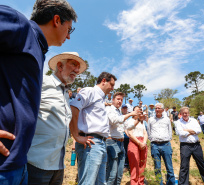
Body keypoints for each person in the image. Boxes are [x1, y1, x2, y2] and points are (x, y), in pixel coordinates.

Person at [0, 1, 77, 184]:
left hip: (17, 163)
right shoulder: (20, 26)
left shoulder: (37, 48)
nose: (68, 37)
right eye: (69, 29)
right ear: (57, 20)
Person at [27, 52, 86, 184]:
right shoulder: (41, 81)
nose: (77, 70)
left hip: (58, 166)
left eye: (78, 68)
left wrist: (76, 137)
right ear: (60, 66)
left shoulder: (65, 93)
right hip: (36, 163)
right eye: (73, 64)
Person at [69, 72, 117, 185]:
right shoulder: (90, 91)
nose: (112, 88)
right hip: (91, 144)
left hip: (100, 143)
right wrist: (76, 136)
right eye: (112, 84)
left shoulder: (101, 99)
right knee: (88, 182)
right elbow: (73, 108)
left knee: (100, 182)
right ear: (104, 81)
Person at [106, 92, 140, 185]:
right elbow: (113, 121)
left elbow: (127, 127)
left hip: (120, 143)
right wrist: (129, 114)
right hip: (111, 142)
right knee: (111, 174)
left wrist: (139, 120)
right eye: (118, 99)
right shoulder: (109, 109)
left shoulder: (119, 112)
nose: (120, 101)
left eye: (121, 99)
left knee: (119, 175)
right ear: (113, 100)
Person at [175, 107, 204, 185]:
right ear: (181, 114)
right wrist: (192, 131)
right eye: (183, 113)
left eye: (187, 113)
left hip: (196, 145)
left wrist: (186, 130)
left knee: (201, 165)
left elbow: (198, 130)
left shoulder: (194, 120)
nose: (185, 114)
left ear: (189, 113)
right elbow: (180, 133)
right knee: (184, 166)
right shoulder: (178, 122)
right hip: (185, 146)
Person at [147, 103, 175, 185]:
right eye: (156, 108)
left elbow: (170, 131)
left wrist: (168, 139)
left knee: (169, 166)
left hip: (166, 145)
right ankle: (159, 183)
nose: (157, 110)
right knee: (157, 167)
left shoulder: (166, 120)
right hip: (155, 145)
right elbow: (149, 131)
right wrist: (152, 139)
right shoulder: (151, 119)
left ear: (163, 110)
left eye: (159, 108)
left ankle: (171, 183)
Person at [127, 106, 148, 185]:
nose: (139, 112)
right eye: (137, 111)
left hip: (143, 142)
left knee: (142, 164)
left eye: (140, 111)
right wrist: (139, 143)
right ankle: (134, 182)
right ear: (133, 112)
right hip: (134, 142)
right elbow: (130, 134)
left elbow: (145, 133)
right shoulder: (130, 121)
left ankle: (141, 182)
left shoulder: (142, 122)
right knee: (134, 164)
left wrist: (144, 142)